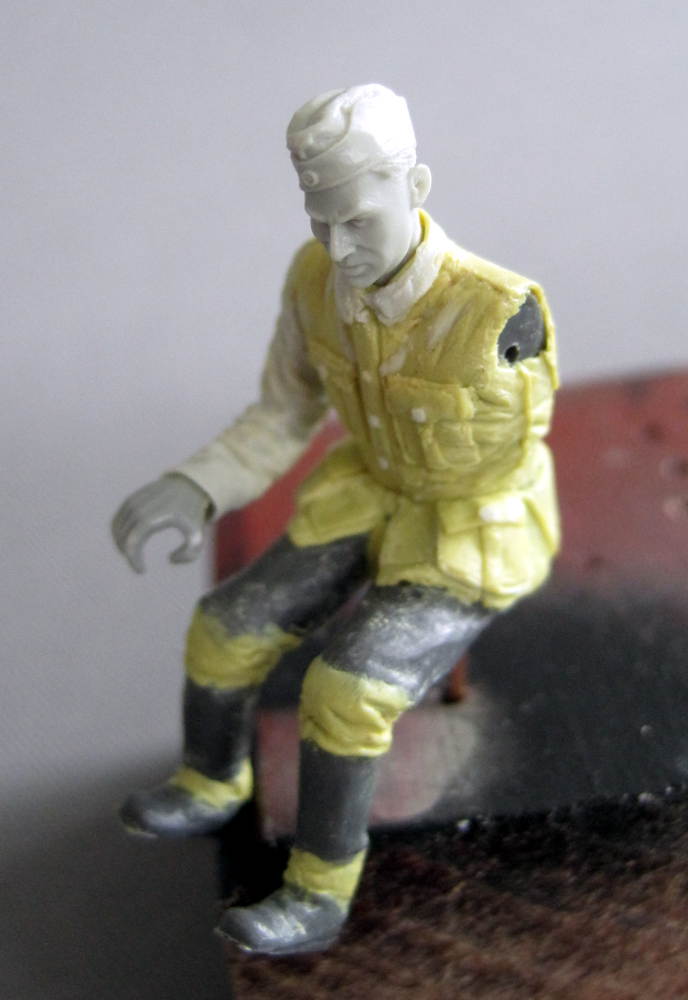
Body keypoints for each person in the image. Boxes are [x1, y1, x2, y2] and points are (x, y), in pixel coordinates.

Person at [112, 83, 560, 955]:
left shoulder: (500, 311)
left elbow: (500, 457)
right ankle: (212, 779)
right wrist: (197, 484)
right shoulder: (313, 280)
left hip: (468, 524)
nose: (339, 246)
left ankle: (318, 889)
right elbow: (283, 411)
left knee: (347, 689)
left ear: (415, 187)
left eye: (358, 220)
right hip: (365, 489)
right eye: (321, 221)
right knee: (225, 625)